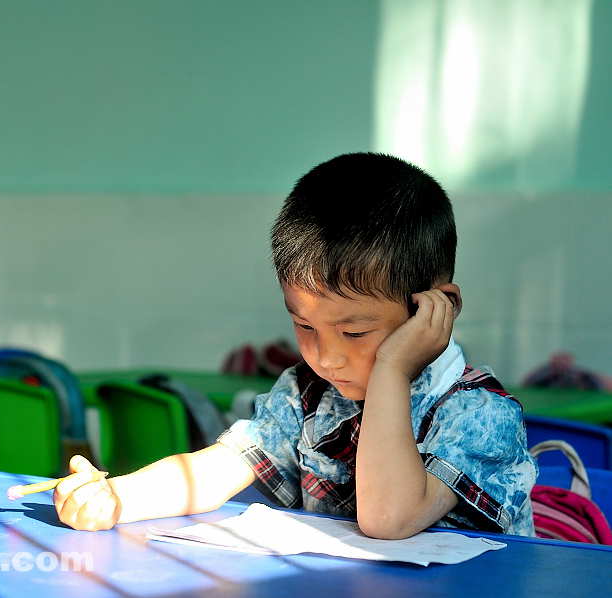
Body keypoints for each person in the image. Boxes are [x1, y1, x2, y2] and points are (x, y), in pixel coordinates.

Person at [30, 152, 537, 539]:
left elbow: (389, 519)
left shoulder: (477, 413)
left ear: (435, 307)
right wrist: (117, 497)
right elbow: (215, 469)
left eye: (356, 332)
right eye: (305, 326)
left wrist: (391, 368)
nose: (327, 356)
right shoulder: (306, 392)